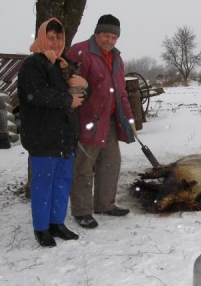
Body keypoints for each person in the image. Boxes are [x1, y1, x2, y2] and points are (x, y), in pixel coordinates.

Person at [18, 17, 89, 247]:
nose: (56, 42)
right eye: (51, 38)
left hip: (63, 137)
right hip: (42, 136)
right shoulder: (33, 65)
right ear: (41, 38)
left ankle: (57, 223)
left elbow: (76, 94)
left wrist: (82, 88)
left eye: (59, 38)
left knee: (62, 181)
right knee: (43, 183)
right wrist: (69, 99)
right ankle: (41, 228)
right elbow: (39, 95)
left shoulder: (61, 64)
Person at [67, 14, 136, 229]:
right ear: (96, 33)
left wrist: (129, 118)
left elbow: (121, 92)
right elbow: (70, 87)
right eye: (106, 35)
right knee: (84, 167)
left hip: (110, 120)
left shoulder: (117, 58)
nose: (109, 40)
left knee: (110, 164)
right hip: (87, 120)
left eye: (114, 37)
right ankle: (82, 211)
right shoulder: (80, 52)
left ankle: (105, 204)